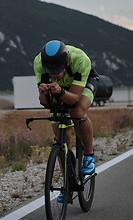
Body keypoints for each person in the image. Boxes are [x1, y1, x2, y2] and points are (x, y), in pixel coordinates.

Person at [33, 40, 97, 201]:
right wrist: (43, 92)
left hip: (82, 85)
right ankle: (67, 181)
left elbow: (75, 99)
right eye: (50, 70)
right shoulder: (38, 63)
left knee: (77, 112)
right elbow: (44, 102)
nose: (54, 73)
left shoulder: (80, 60)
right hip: (59, 88)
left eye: (58, 69)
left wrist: (60, 91)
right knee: (60, 133)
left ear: (66, 61)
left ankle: (89, 155)